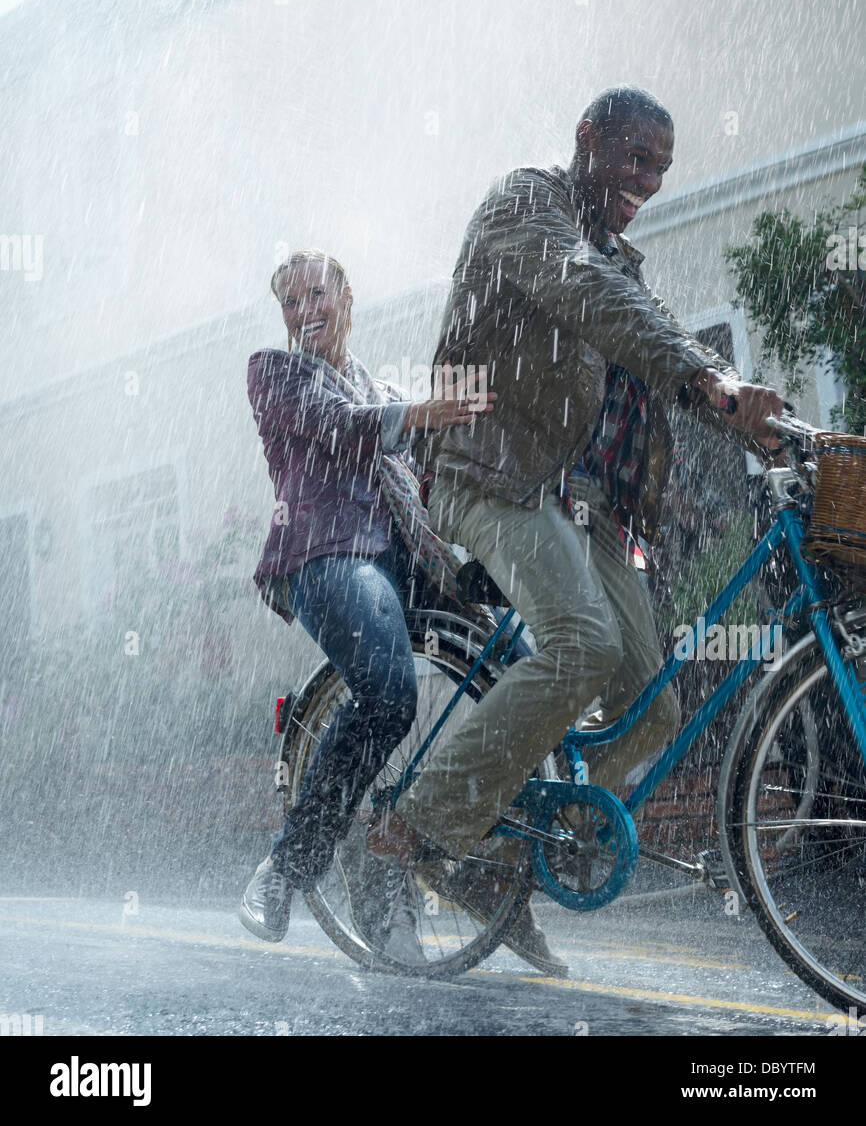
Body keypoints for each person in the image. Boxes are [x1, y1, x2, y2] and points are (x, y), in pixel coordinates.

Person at [367, 86, 785, 905]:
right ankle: (416, 824)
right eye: (636, 159)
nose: (650, 182)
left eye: (662, 168)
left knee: (652, 709)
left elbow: (661, 339)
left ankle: (503, 847)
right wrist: (703, 372)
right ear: (587, 138)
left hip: (587, 498)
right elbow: (593, 297)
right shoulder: (525, 204)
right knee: (583, 644)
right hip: (490, 472)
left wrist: (755, 413)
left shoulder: (620, 259)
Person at [239, 249, 495, 958]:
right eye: (290, 303)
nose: (304, 312)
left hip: (406, 561)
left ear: (346, 296)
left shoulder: (373, 384)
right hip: (327, 558)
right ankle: (284, 871)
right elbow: (342, 423)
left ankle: (504, 863)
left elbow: (421, 471)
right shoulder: (275, 372)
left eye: (316, 294)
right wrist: (422, 411)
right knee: (388, 698)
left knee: (522, 660)